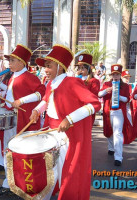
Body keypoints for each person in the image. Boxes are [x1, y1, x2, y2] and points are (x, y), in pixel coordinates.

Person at [29, 44, 101, 200]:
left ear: (60, 67)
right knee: (49, 170)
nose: (45, 69)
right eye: (45, 66)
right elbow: (46, 100)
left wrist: (69, 119)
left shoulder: (72, 82)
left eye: (49, 66)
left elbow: (95, 103)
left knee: (63, 172)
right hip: (51, 132)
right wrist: (36, 110)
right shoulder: (50, 83)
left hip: (67, 137)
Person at [0, 44, 45, 198]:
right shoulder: (12, 77)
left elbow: (41, 93)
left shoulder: (30, 77)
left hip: (22, 120)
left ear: (22, 62)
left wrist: (21, 101)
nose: (10, 62)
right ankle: (8, 184)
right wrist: (0, 98)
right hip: (10, 118)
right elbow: (10, 97)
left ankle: (19, 186)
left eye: (13, 60)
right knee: (9, 152)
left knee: (20, 153)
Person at [98, 64, 135, 167]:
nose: (115, 76)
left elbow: (127, 99)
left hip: (119, 112)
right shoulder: (106, 84)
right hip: (107, 111)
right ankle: (111, 147)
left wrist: (118, 96)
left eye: (117, 74)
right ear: (111, 75)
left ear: (120, 75)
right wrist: (106, 90)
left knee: (117, 133)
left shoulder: (125, 86)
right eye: (114, 74)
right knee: (108, 130)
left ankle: (118, 157)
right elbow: (99, 94)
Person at [76, 53, 100, 124]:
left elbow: (94, 96)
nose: (80, 70)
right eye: (79, 68)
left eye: (83, 68)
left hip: (87, 109)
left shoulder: (94, 81)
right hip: (77, 108)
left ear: (88, 69)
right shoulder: (77, 80)